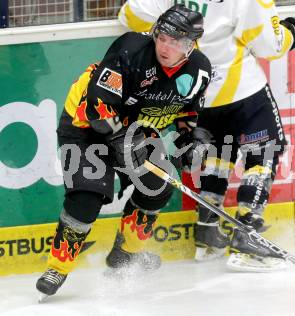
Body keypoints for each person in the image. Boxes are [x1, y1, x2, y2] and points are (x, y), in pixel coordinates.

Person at [118, 0, 295, 271]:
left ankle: (208, 235)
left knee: (219, 154)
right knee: (265, 151)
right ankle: (248, 235)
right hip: (241, 90)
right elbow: (268, 45)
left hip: (194, 89)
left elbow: (131, 15)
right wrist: (293, 32)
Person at [36, 4, 211, 298]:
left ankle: (124, 255)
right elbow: (97, 106)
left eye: (176, 41)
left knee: (158, 186)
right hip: (85, 125)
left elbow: (186, 113)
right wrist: (122, 143)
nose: (166, 46)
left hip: (134, 128)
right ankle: (58, 266)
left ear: (191, 45)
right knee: (86, 194)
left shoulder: (200, 70)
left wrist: (191, 138)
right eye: (163, 37)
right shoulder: (131, 50)